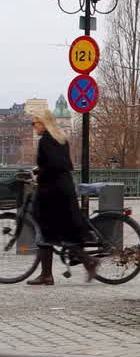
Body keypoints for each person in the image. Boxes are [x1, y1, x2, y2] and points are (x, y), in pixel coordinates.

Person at [27, 109, 97, 285]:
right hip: (63, 188)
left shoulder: (45, 140)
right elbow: (61, 163)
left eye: (34, 122)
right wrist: (40, 170)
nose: (33, 126)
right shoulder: (61, 138)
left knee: (45, 229)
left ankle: (49, 274)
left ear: (43, 123)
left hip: (52, 192)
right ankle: (82, 263)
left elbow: (53, 165)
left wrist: (39, 175)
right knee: (60, 230)